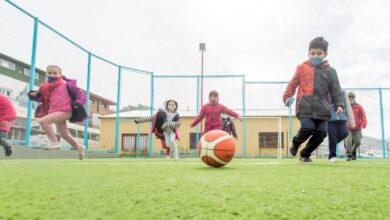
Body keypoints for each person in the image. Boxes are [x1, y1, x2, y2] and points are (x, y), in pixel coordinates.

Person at [283, 36, 344, 164]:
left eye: (319, 53)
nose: (316, 56)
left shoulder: (331, 71)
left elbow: (335, 90)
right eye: (313, 53)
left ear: (325, 54)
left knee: (321, 134)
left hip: (323, 108)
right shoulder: (301, 68)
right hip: (304, 106)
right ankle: (295, 142)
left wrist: (339, 105)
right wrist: (287, 96)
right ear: (308, 53)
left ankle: (305, 154)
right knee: (307, 128)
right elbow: (292, 83)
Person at [28, 65, 86, 160]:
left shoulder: (67, 84)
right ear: (46, 74)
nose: (52, 75)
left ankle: (54, 142)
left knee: (43, 121)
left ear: (60, 74)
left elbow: (81, 95)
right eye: (49, 73)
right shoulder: (45, 87)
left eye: (55, 73)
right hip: (54, 112)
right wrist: (36, 94)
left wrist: (78, 103)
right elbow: (42, 98)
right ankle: (79, 147)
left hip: (65, 111)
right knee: (64, 134)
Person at [327, 90, 355, 162]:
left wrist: (352, 122)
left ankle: (332, 144)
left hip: (342, 118)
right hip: (330, 119)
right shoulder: (325, 92)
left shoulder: (342, 92)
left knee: (344, 133)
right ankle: (332, 155)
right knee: (332, 136)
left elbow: (348, 107)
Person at [345, 92, 367, 161]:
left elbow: (363, 116)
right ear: (347, 98)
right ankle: (349, 155)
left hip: (357, 128)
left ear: (354, 97)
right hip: (347, 127)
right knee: (348, 141)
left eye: (352, 97)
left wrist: (363, 124)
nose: (351, 98)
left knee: (358, 142)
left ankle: (353, 151)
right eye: (350, 97)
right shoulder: (345, 106)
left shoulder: (359, 106)